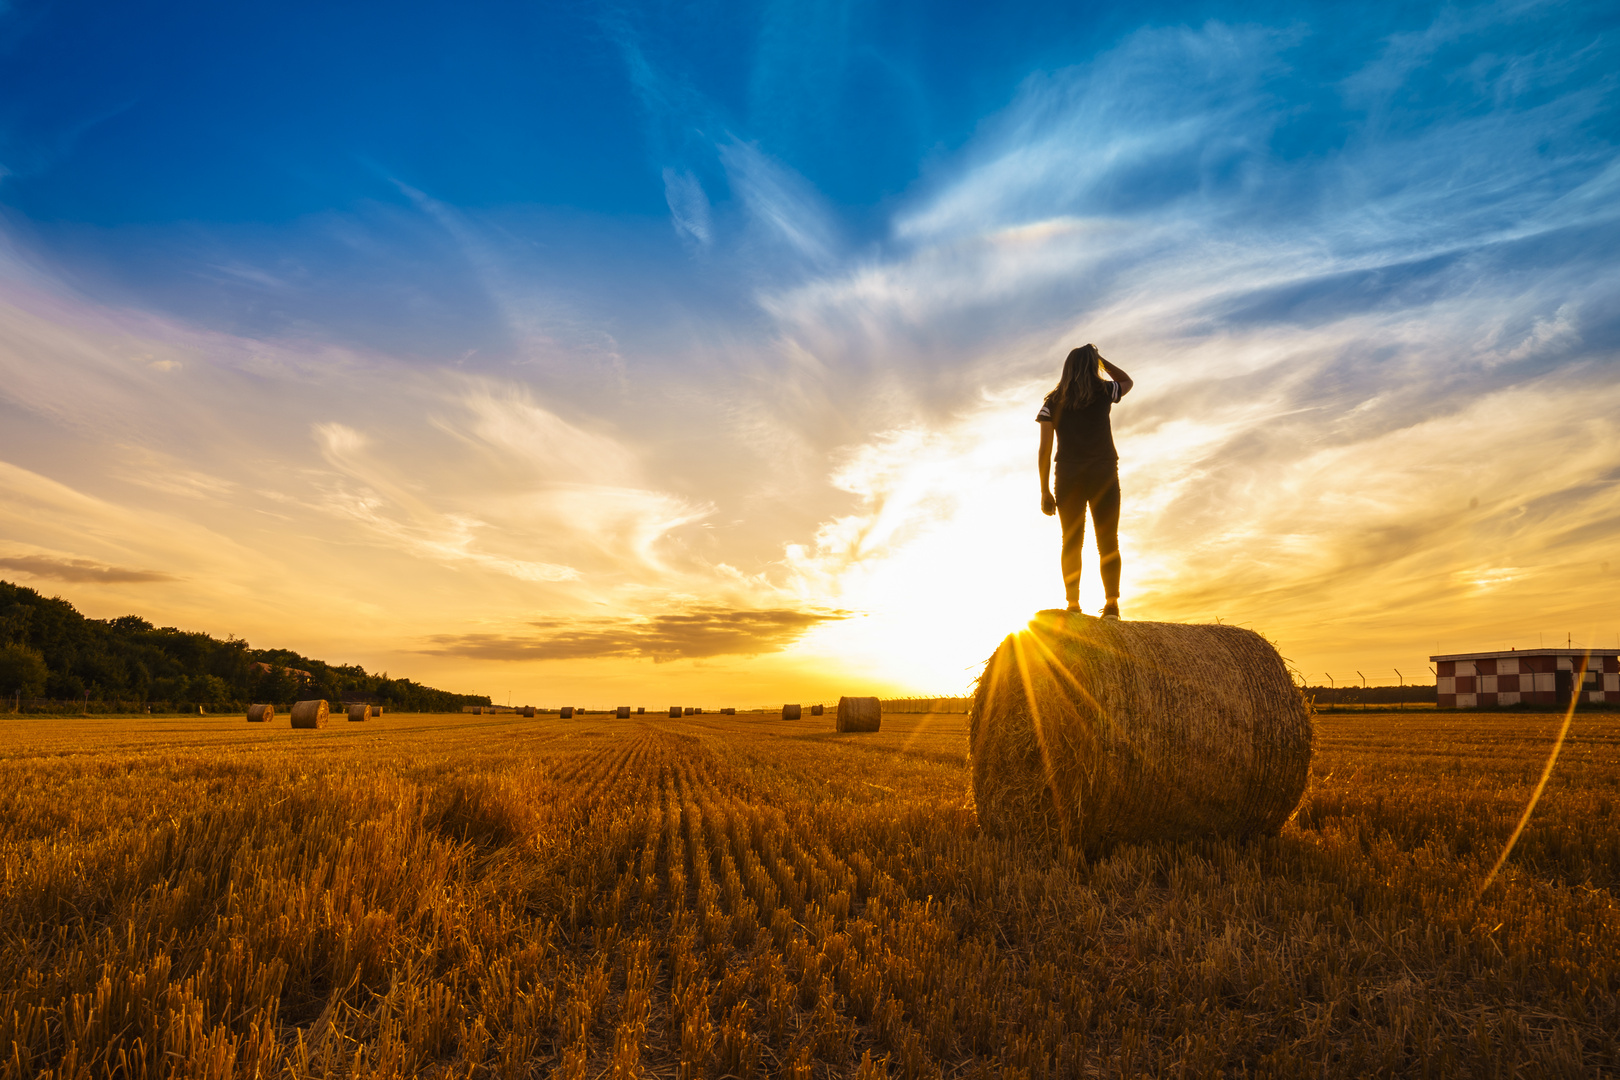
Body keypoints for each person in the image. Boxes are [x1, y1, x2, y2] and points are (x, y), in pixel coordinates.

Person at [1036, 344, 1133, 618]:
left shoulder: (1052, 402)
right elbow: (1127, 381)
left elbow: (1044, 450)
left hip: (1068, 477)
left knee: (1071, 541)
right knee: (1108, 541)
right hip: (1103, 474)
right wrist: (1102, 362)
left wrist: (1044, 490)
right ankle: (1112, 604)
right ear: (1094, 365)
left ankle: (1073, 605)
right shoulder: (1105, 392)